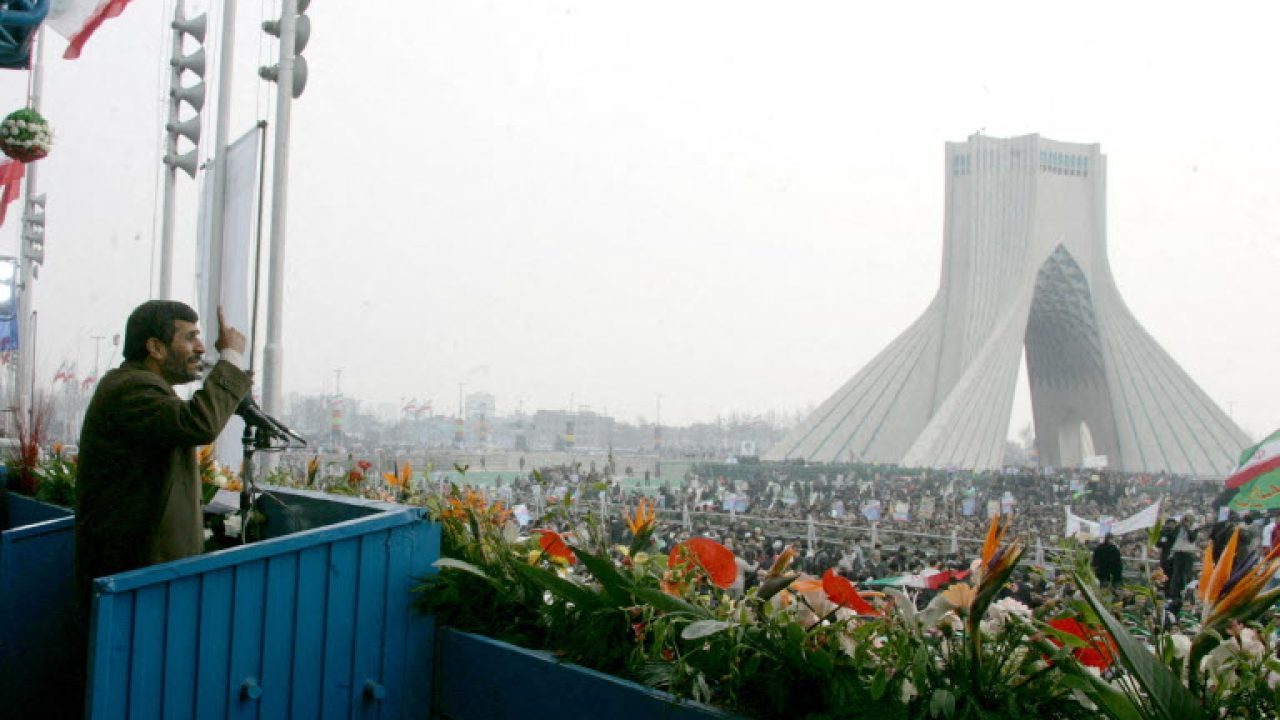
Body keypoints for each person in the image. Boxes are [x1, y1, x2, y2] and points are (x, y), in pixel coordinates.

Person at [75, 301, 252, 612]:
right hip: (135, 576)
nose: (200, 348)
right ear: (155, 347)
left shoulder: (143, 387)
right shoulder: (131, 389)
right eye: (189, 337)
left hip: (144, 574)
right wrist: (231, 357)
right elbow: (199, 423)